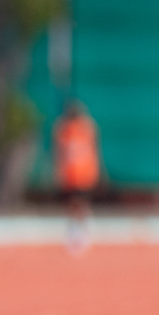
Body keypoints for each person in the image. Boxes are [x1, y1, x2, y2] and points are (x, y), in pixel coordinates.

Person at [53, 99, 100, 254]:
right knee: (72, 204)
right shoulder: (64, 130)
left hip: (84, 173)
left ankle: (83, 231)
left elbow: (93, 150)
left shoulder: (86, 128)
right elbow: (60, 153)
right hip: (70, 174)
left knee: (82, 203)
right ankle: (74, 232)